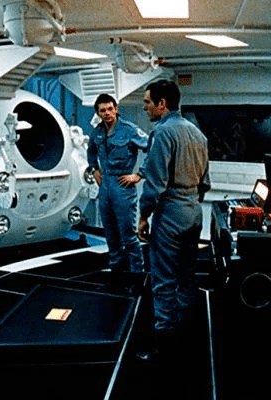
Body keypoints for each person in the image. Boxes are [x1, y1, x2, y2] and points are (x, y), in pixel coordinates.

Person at [136, 79, 210, 358]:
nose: (145, 108)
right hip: (193, 212)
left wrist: (144, 217)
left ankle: (164, 344)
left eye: (147, 102)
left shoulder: (162, 133)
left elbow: (155, 183)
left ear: (162, 104)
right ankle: (187, 335)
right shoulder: (198, 134)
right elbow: (205, 182)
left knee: (164, 278)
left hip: (170, 214)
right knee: (186, 276)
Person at [86, 93, 149, 293]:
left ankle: (138, 279)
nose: (107, 113)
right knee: (111, 235)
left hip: (123, 186)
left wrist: (139, 175)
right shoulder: (97, 132)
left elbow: (153, 148)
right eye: (102, 110)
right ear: (98, 113)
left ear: (116, 109)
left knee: (128, 236)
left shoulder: (129, 130)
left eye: (110, 109)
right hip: (105, 186)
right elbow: (91, 151)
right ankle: (117, 276)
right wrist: (93, 169)